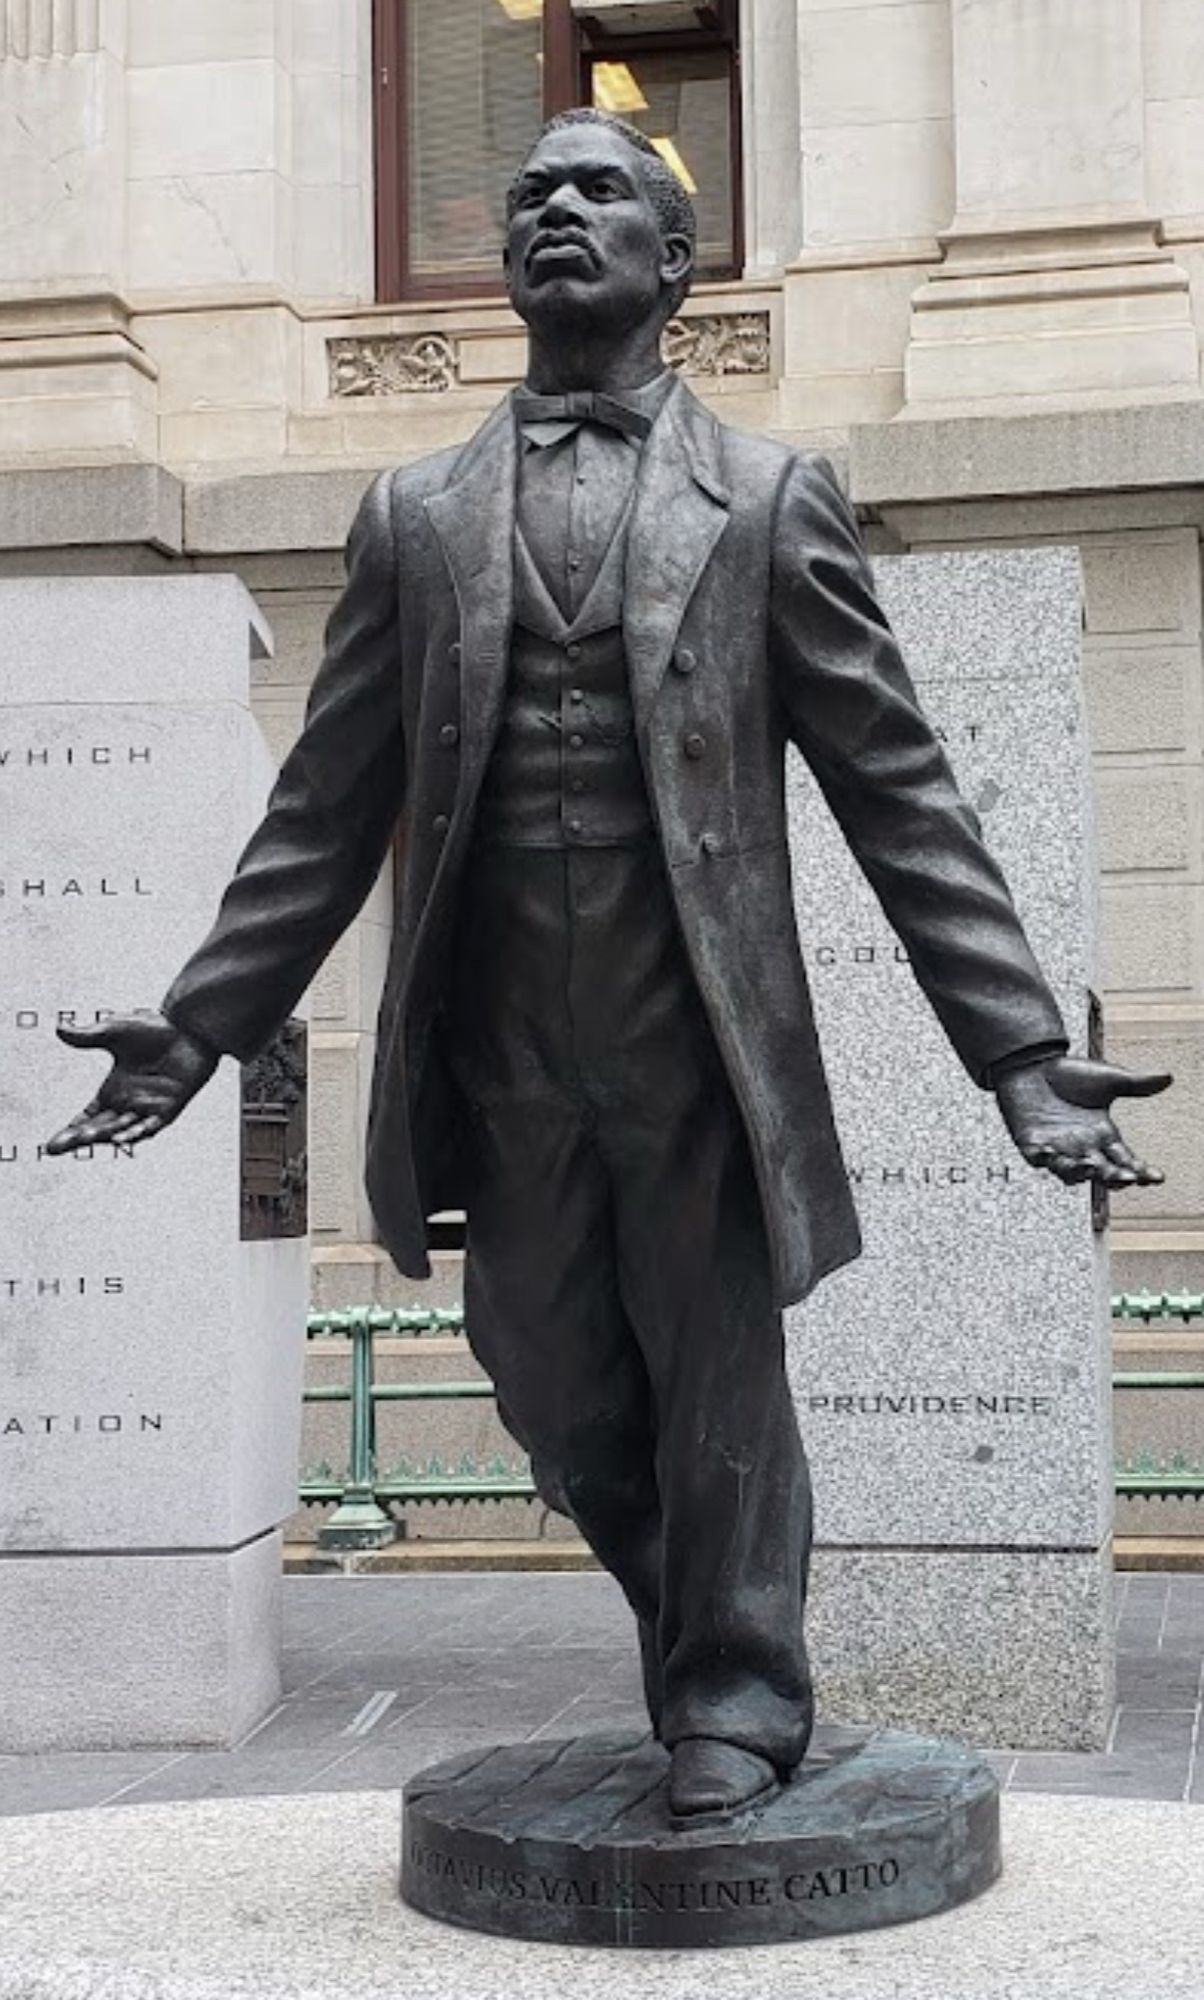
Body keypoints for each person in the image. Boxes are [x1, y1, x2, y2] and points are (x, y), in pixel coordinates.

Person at [49, 110, 1169, 1827]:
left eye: (599, 191)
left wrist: (1016, 1048)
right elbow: (328, 801)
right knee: (552, 1382)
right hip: (496, 1038)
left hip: (696, 1036)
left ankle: (734, 1694)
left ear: (674, 259)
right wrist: (206, 1023)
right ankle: (710, 1644)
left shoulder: (771, 499)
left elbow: (899, 790)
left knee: (720, 1364)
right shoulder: (416, 515)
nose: (554, 213)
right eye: (527, 197)